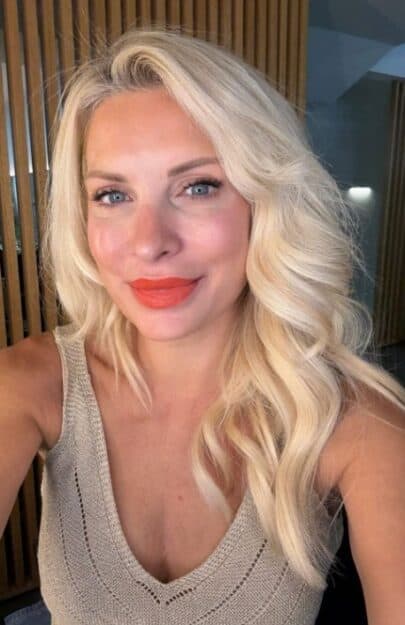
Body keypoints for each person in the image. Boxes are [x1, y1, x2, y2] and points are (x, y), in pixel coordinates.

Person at [1, 27, 404, 625]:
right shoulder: (30, 384)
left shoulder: (356, 421)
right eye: (112, 195)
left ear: (263, 203)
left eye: (198, 187)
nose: (150, 243)